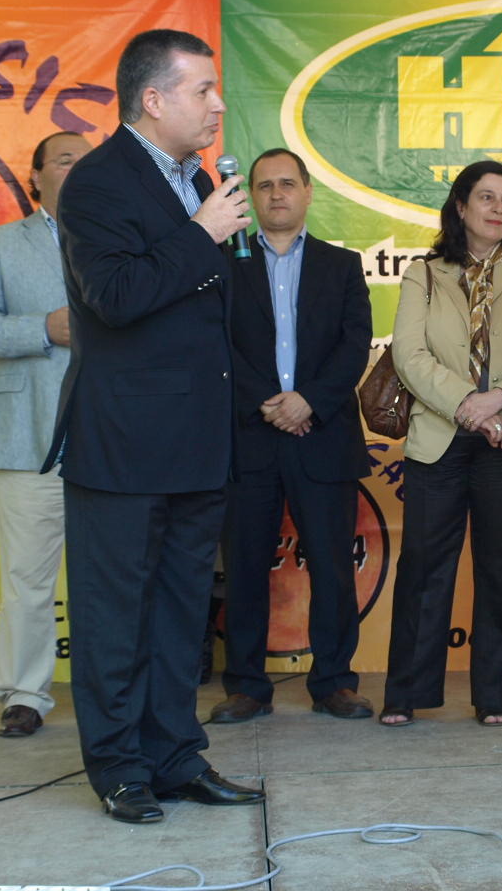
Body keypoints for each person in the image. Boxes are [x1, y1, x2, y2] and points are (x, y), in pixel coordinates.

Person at [44, 28, 263, 824]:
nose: (218, 104)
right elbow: (115, 297)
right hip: (125, 443)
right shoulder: (98, 182)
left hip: (198, 438)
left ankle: (174, 757)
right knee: (116, 618)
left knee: (179, 613)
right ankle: (118, 767)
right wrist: (202, 233)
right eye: (202, 89)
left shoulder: (197, 179)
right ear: (153, 99)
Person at [381, 161, 502, 729]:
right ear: (460, 206)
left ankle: (496, 696)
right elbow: (409, 355)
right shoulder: (424, 274)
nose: (498, 208)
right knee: (424, 565)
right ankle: (406, 693)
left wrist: (499, 399)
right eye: (486, 197)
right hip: (440, 437)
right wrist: (467, 404)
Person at [210, 148, 373, 725]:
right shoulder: (224, 264)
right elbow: (215, 344)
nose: (276, 194)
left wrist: (310, 401)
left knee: (332, 567)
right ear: (250, 197)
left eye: (287, 183)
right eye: (264, 185)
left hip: (322, 436)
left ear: (307, 192)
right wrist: (270, 404)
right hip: (249, 436)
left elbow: (354, 345)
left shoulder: (342, 264)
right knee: (245, 568)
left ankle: (334, 682)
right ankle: (247, 687)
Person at [0, 131, 91, 739]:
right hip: (26, 435)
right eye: (65, 160)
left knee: (110, 578)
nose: (78, 169)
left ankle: (111, 688)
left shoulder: (120, 240)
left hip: (109, 436)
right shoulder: (0, 243)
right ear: (35, 176)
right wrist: (44, 328)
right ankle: (25, 694)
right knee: (28, 577)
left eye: (88, 161)